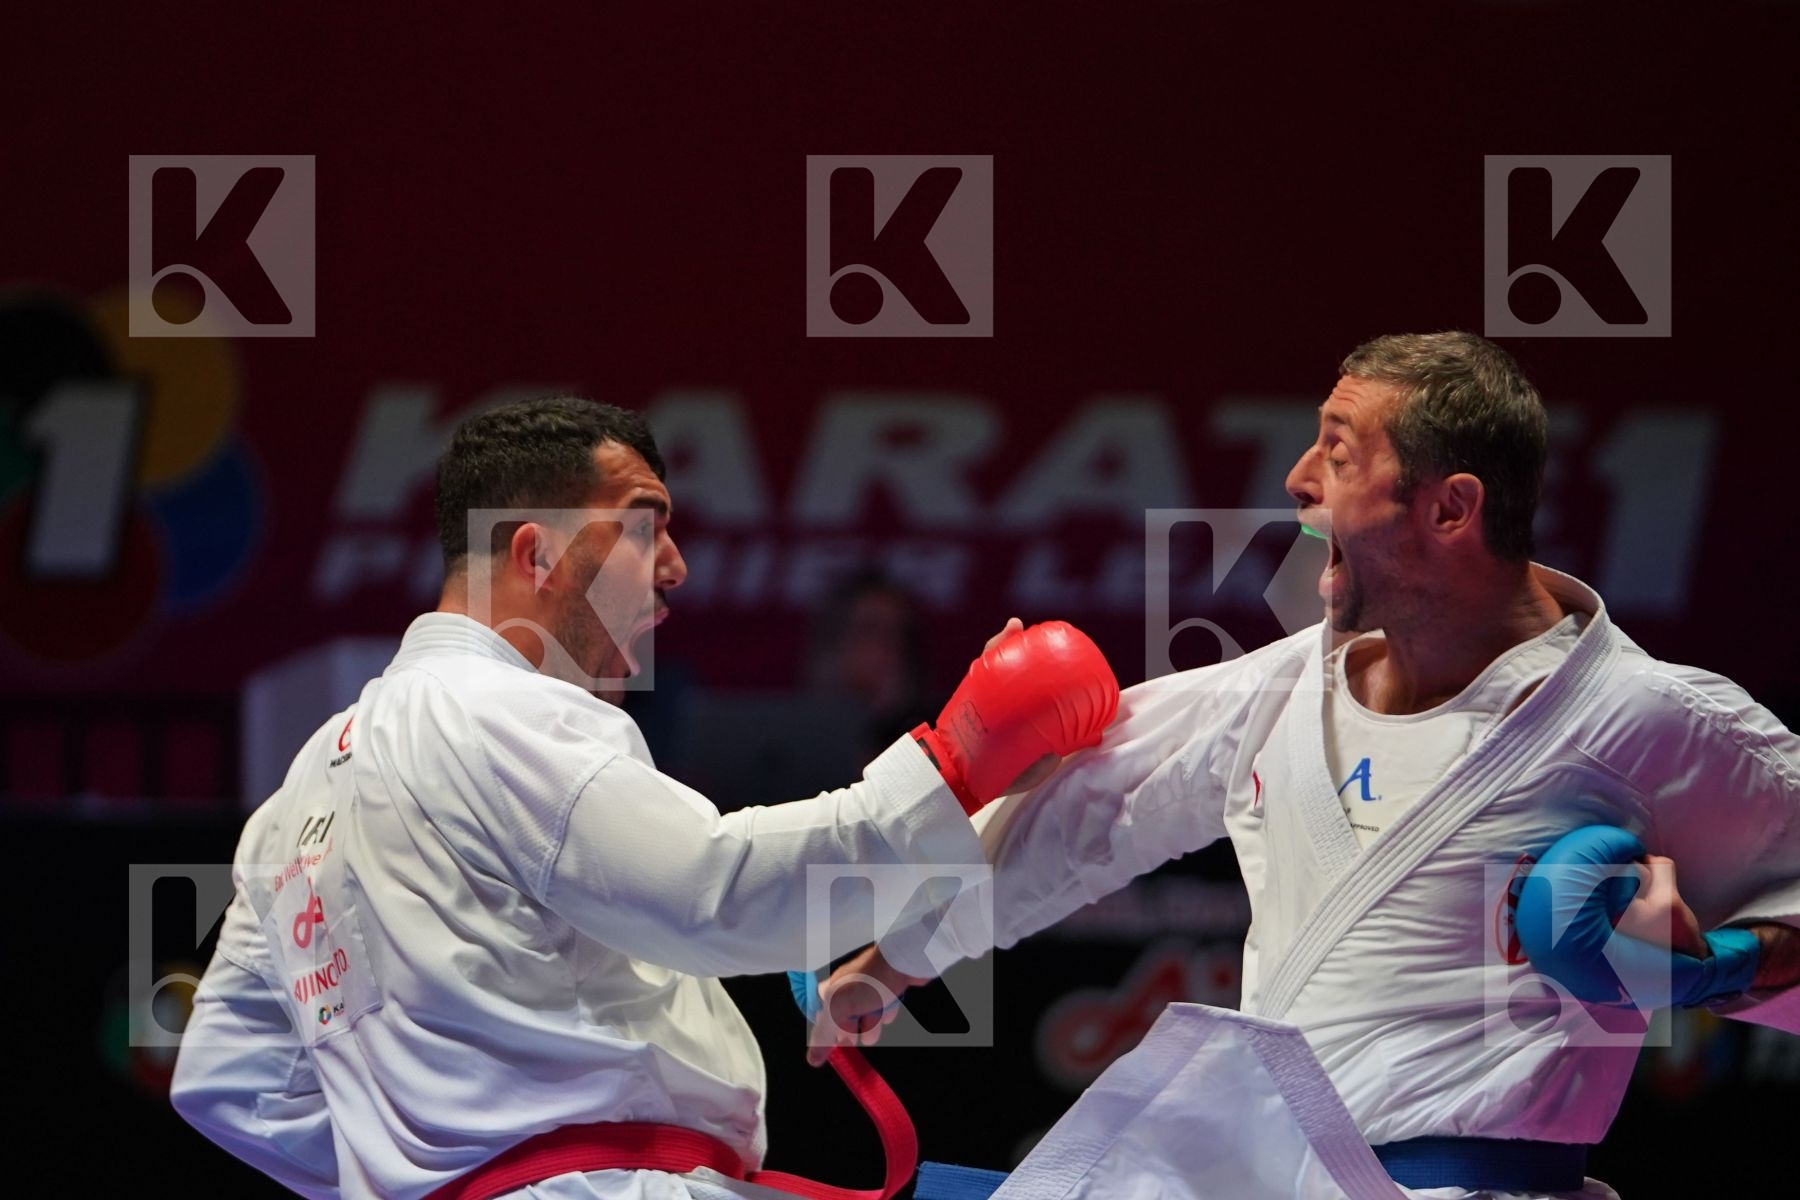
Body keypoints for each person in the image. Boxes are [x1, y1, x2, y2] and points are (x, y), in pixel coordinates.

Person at [815, 332, 1800, 1199]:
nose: (1296, 479)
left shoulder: (1650, 721)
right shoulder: (1284, 689)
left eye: (1337, 451)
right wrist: (891, 961)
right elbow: (1087, 811)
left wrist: (1724, 969)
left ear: (1453, 510)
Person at [169, 396, 1118, 1199]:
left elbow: (228, 1082)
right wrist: (956, 759)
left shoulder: (293, 802)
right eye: (644, 523)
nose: (676, 569)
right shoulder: (505, 709)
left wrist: (430, 1171)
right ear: (534, 555)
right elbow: (720, 896)